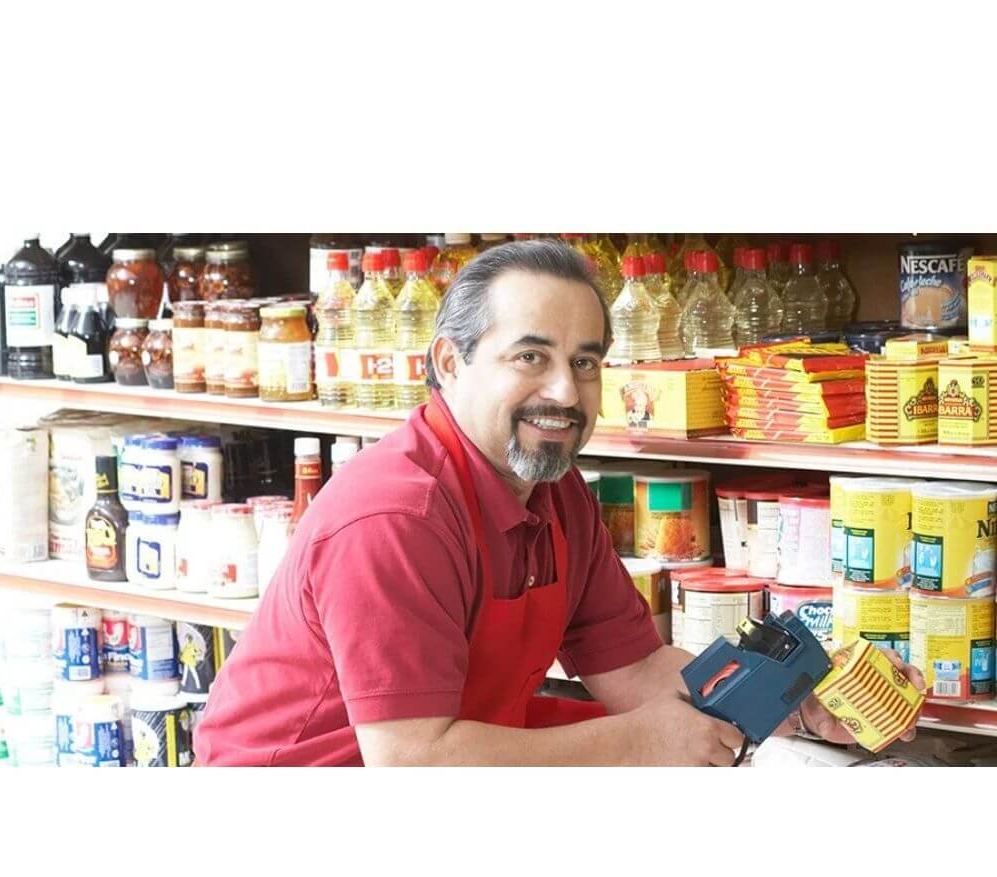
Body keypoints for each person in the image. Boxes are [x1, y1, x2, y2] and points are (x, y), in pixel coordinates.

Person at [194, 240, 921, 766]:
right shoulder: (395, 518)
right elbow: (412, 760)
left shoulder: (555, 492)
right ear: (450, 362)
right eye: (530, 357)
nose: (566, 392)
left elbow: (636, 670)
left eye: (585, 362)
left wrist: (795, 704)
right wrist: (637, 745)